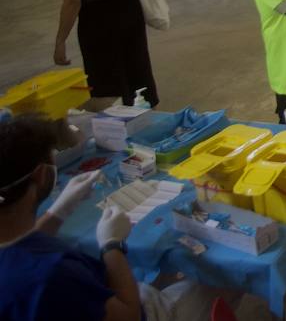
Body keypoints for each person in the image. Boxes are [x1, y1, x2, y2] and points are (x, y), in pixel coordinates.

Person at [0, 115, 237, 321]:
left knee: (166, 268)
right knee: (224, 273)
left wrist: (58, 211)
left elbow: (19, 248)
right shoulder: (52, 275)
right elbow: (129, 315)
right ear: (42, 175)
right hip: (134, 312)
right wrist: (112, 246)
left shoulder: (21, 253)